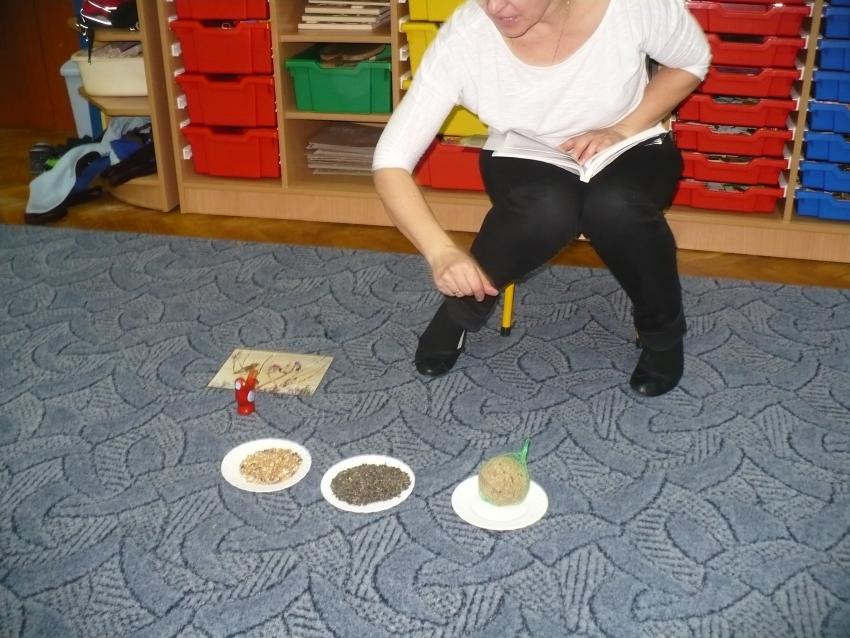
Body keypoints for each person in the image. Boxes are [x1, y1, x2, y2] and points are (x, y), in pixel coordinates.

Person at [372, 0, 711, 396]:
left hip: (629, 142)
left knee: (616, 206)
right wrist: (440, 252)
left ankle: (662, 334)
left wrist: (622, 128)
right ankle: (458, 313)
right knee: (546, 208)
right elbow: (390, 160)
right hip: (526, 150)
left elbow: (691, 60)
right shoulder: (466, 35)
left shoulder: (629, 6)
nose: (495, 7)